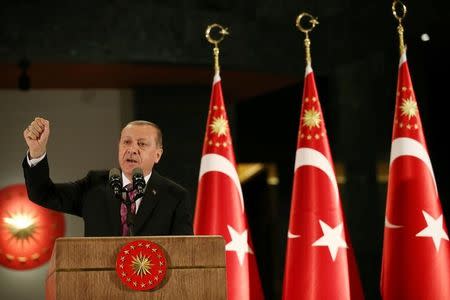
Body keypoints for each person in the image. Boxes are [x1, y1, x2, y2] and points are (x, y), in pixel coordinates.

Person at [22, 117, 193, 237]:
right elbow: (43, 194)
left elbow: (184, 251)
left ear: (157, 155)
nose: (132, 149)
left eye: (141, 144)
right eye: (126, 142)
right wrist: (36, 152)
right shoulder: (95, 185)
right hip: (100, 286)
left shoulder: (174, 196)